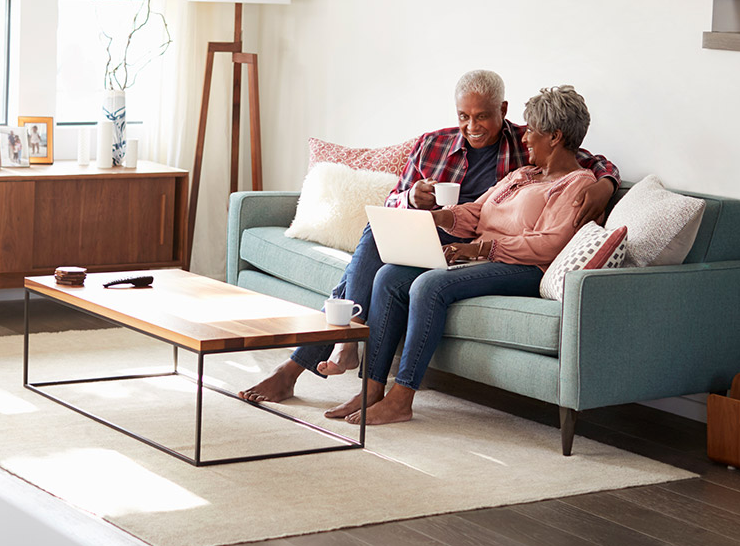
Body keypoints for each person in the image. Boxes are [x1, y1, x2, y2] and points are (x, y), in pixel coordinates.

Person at [238, 71, 620, 405]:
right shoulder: (447, 148)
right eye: (464, 116)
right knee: (378, 238)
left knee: (407, 278)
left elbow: (580, 159)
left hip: (479, 246)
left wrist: (606, 183)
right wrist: (416, 202)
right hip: (443, 228)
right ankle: (350, 354)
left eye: (483, 116)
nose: (472, 126)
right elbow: (411, 203)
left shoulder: (526, 146)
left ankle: (325, 356)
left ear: (503, 111)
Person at [326, 85, 598, 424]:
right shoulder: (522, 175)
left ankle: (402, 397)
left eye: (533, 131)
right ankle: (371, 387)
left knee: (429, 285)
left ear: (556, 136)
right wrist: (439, 217)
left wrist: (481, 248)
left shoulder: (578, 184)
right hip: (483, 257)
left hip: (524, 267)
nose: (525, 137)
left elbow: (550, 242)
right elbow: (478, 212)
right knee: (390, 275)